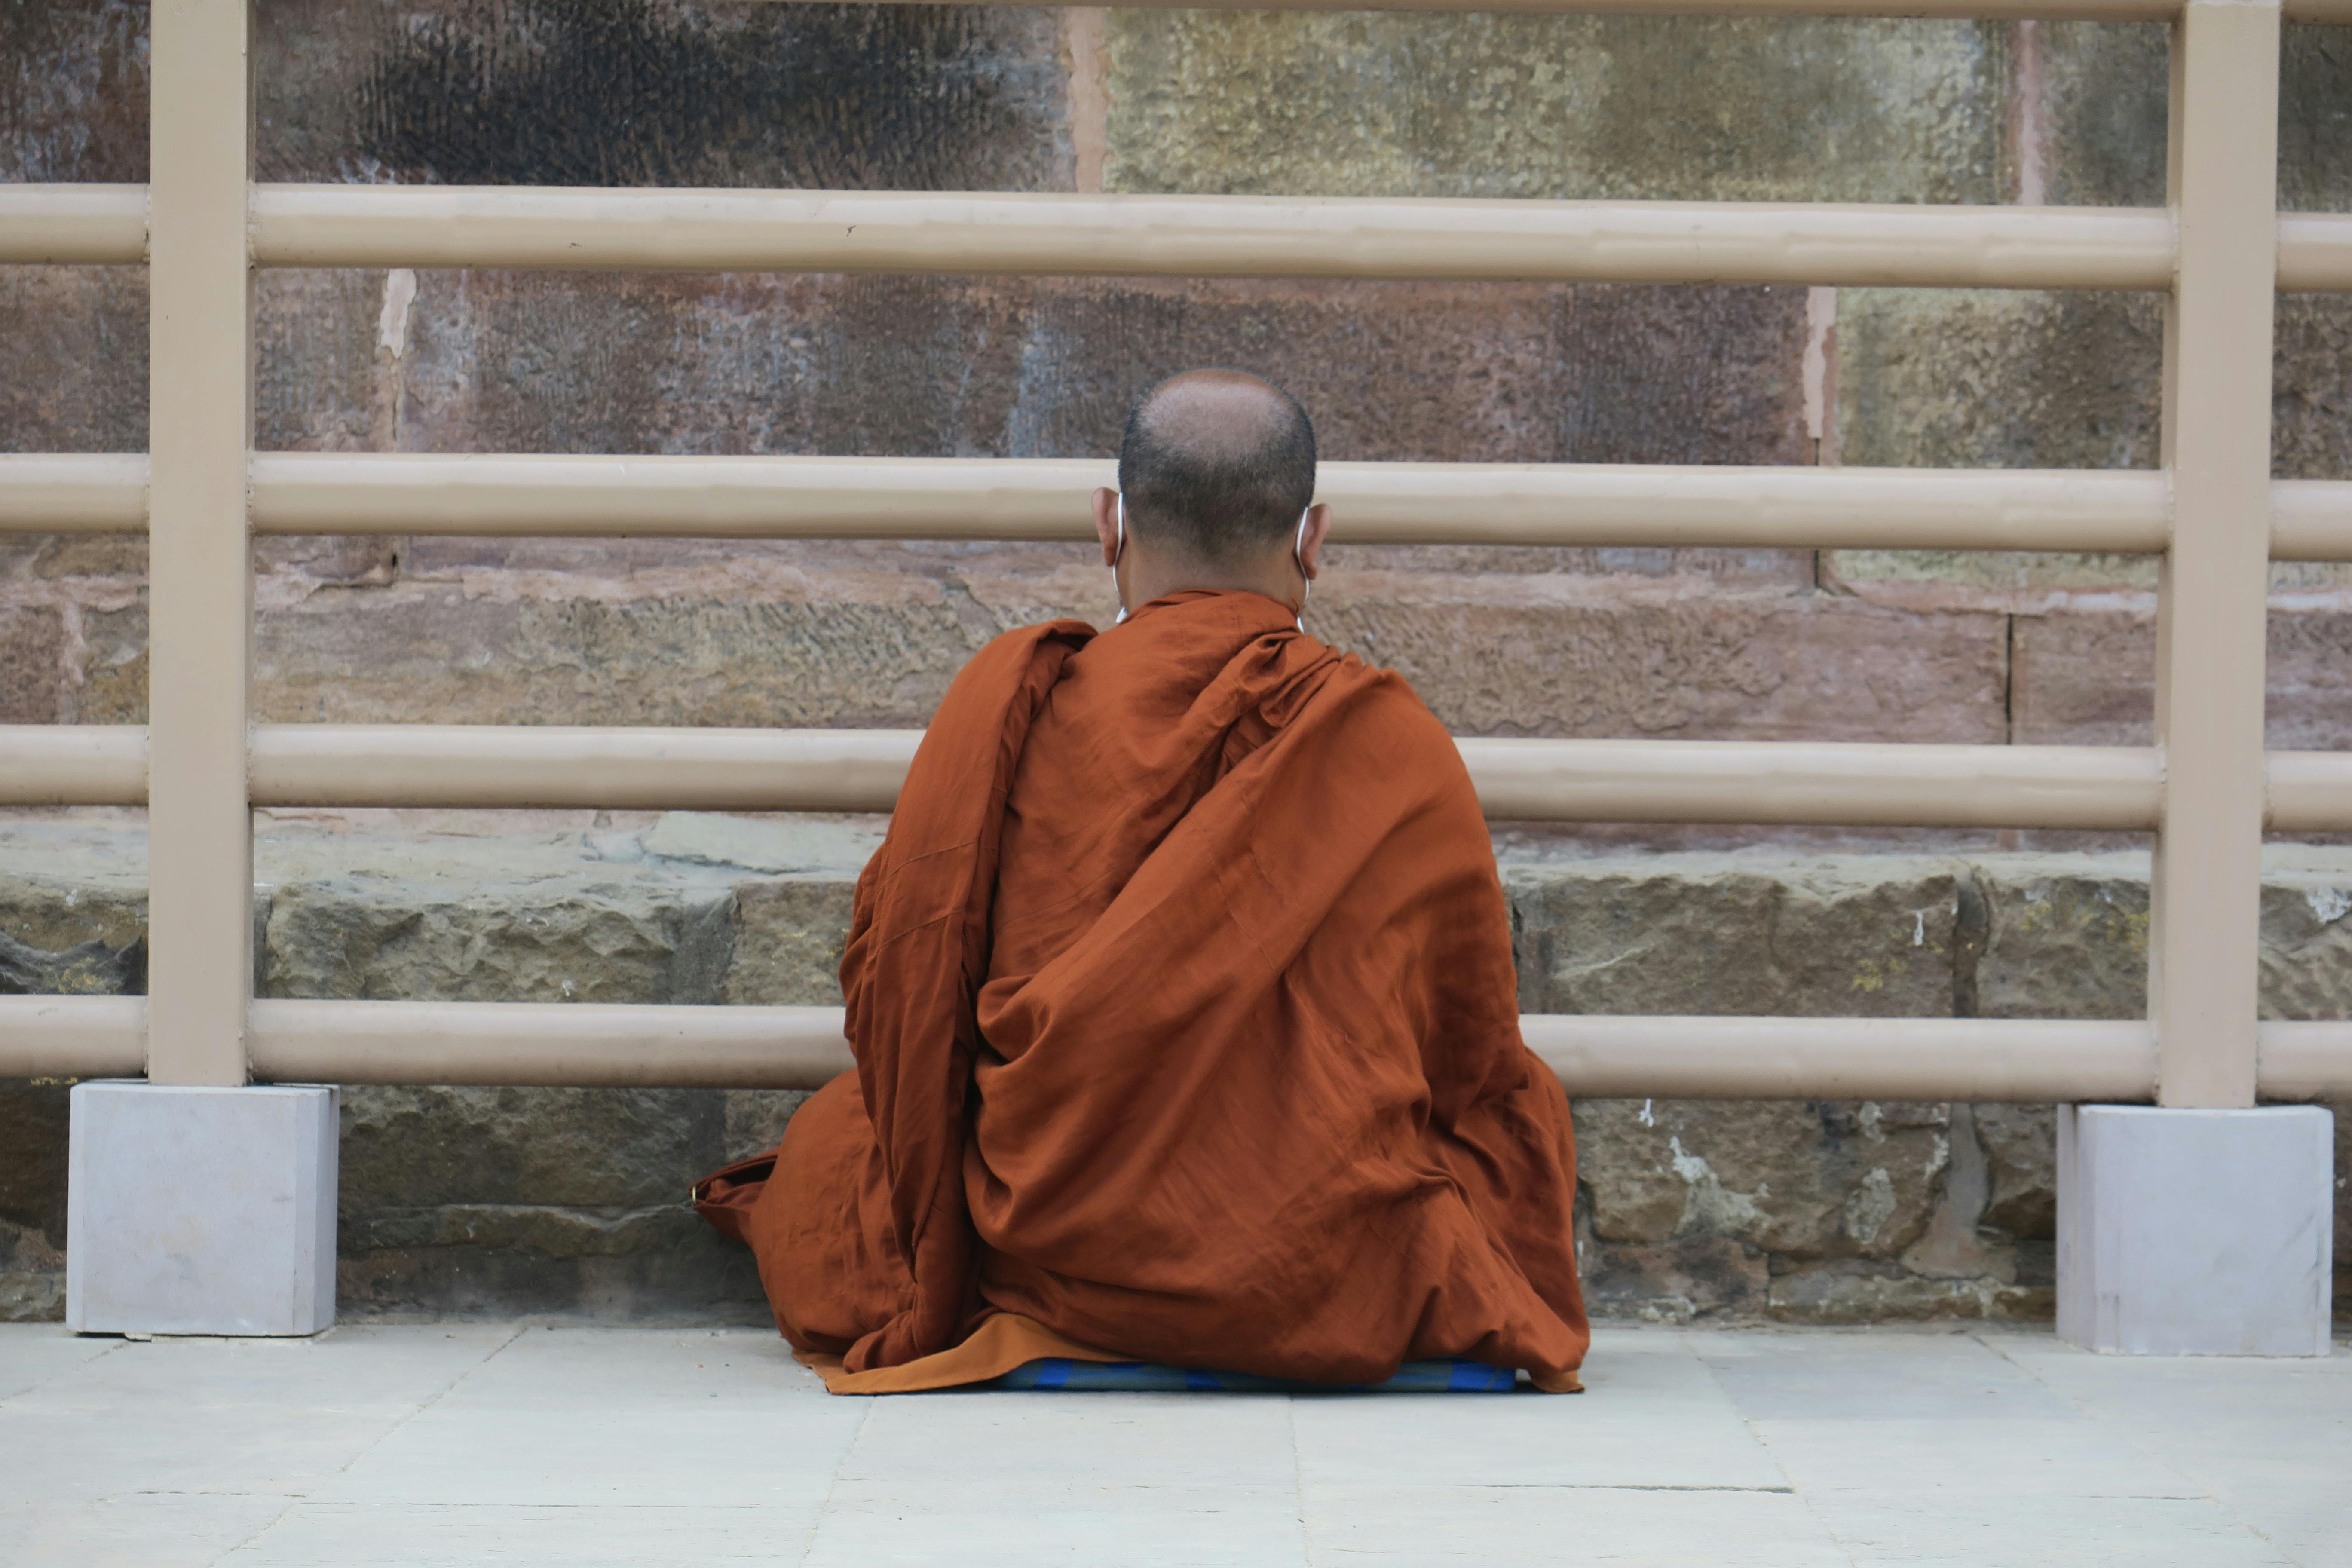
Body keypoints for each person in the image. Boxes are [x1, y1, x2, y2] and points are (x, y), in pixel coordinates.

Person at [694, 369, 1589, 1394]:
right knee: (1519, 1128)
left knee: (836, 1148)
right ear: (1314, 538)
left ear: (1108, 525)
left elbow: (897, 988)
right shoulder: (1388, 742)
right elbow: (1467, 1056)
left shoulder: (1016, 708)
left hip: (1033, 1229)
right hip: (1320, 1255)